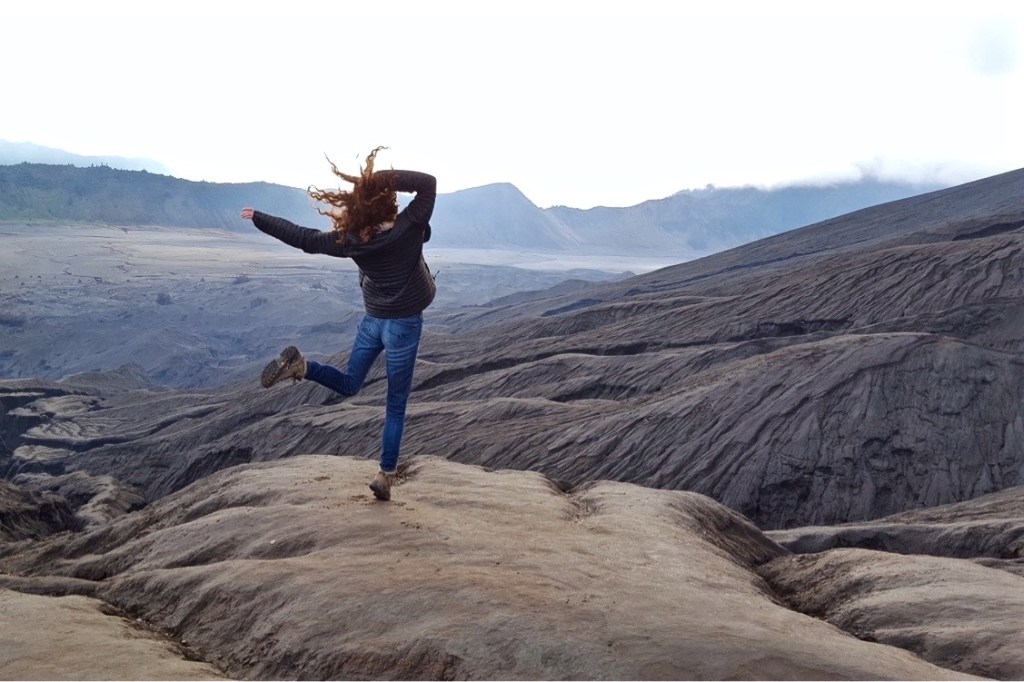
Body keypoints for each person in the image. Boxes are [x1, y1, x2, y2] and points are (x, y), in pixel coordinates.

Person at [240, 147, 436, 501]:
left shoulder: (351, 241)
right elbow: (428, 183)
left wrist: (260, 218)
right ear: (387, 203)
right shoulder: (409, 226)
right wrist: (376, 179)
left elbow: (304, 239)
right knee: (396, 404)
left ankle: (303, 367)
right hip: (403, 325)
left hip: (374, 321)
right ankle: (384, 475)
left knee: (349, 383)